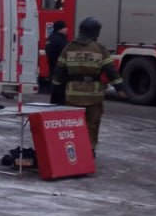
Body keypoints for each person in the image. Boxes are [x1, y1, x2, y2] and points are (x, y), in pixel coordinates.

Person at [52, 17, 126, 153]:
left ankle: (73, 150)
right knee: (92, 124)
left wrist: (56, 88)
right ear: (95, 33)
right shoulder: (100, 49)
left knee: (73, 125)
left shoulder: (69, 47)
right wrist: (120, 89)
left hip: (72, 96)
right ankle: (89, 150)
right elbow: (111, 71)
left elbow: (59, 71)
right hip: (94, 96)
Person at [41, 20, 69, 97]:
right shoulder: (61, 40)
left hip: (53, 69)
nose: (66, 29)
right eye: (65, 28)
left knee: (54, 93)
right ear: (61, 29)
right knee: (60, 94)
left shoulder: (51, 38)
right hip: (61, 72)